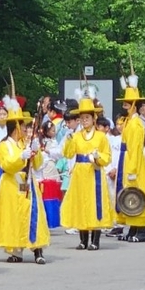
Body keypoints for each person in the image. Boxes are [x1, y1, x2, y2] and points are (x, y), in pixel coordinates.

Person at [0, 100, 49, 263]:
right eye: (23, 126)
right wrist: (20, 157)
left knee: (33, 214)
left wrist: (36, 152)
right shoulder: (4, 146)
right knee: (14, 217)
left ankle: (37, 249)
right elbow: (7, 165)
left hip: (28, 182)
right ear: (16, 126)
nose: (25, 129)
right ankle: (16, 251)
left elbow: (37, 165)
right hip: (11, 184)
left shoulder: (26, 143)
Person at [60, 98, 112, 250]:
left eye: (87, 118)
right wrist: (69, 141)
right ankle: (83, 239)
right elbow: (68, 154)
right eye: (82, 118)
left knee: (95, 204)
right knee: (81, 203)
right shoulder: (76, 136)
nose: (84, 121)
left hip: (94, 171)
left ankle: (95, 240)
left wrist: (97, 157)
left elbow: (107, 156)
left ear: (93, 118)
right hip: (79, 172)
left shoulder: (101, 137)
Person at [115, 80, 145, 241]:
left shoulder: (136, 125)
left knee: (137, 193)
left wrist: (133, 171)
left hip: (134, 162)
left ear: (134, 106)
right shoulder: (130, 122)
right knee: (129, 194)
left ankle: (141, 231)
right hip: (127, 159)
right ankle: (133, 229)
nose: (124, 108)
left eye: (127, 105)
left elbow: (135, 148)